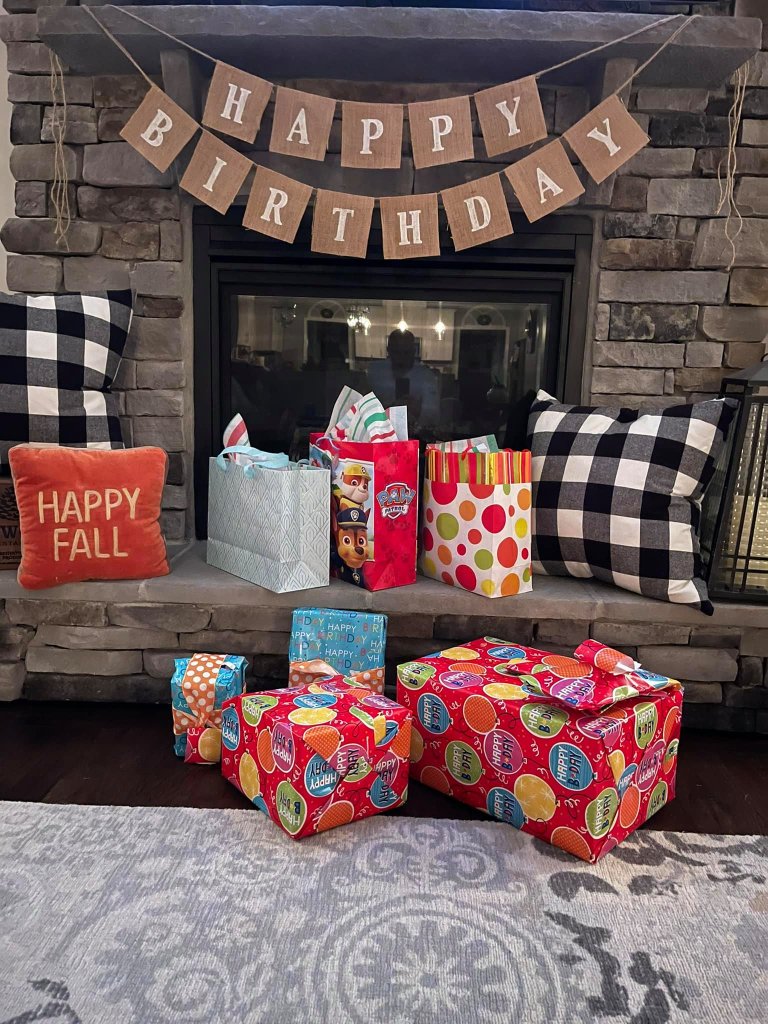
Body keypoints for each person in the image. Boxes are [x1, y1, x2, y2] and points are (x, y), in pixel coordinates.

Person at [366, 329, 440, 433]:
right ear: (388, 350)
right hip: (379, 432)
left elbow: (434, 418)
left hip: (415, 434)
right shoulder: (375, 372)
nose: (401, 357)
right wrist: (388, 408)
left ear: (414, 351)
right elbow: (362, 408)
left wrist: (417, 410)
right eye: (397, 352)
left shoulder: (427, 376)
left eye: (406, 352)